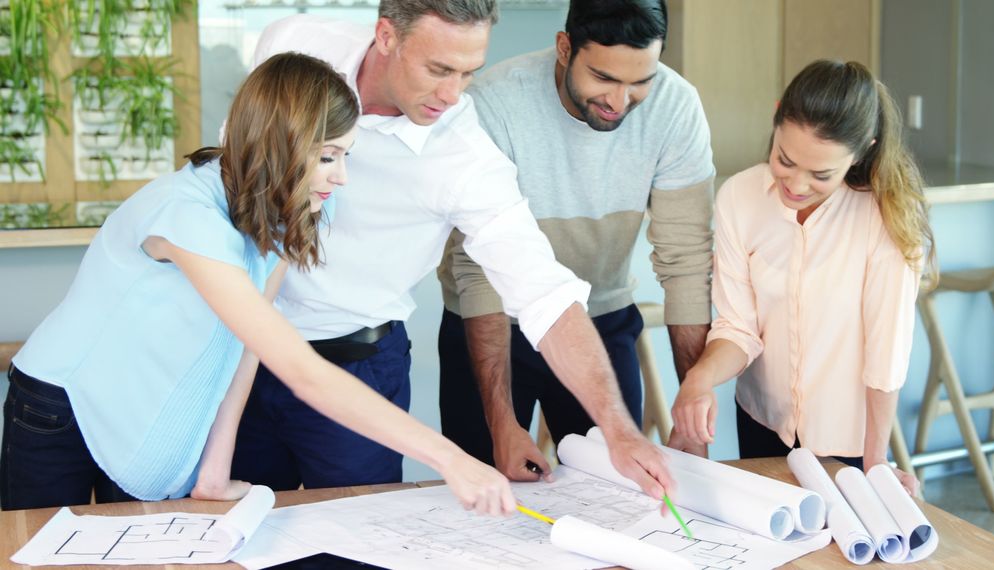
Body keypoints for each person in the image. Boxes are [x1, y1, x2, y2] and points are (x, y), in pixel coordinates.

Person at [0, 53, 515, 517]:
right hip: (57, 404)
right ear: (281, 144)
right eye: (328, 155)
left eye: (347, 155)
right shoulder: (186, 216)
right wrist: (451, 458)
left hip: (138, 404)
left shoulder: (278, 209)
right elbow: (300, 370)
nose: (341, 178)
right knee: (38, 549)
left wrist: (213, 475)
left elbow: (246, 348)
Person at [230, 1, 674, 500]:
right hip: (239, 349)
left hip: (356, 363)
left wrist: (619, 429)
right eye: (438, 69)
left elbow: (544, 294)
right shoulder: (292, 43)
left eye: (468, 73)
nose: (453, 94)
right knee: (236, 528)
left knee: (356, 543)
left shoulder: (463, 156)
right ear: (385, 36)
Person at [437, 0, 714, 481]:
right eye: (604, 78)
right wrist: (500, 423)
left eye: (640, 81)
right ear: (565, 48)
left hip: (600, 318)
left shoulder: (676, 107)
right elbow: (478, 269)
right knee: (486, 496)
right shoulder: (494, 103)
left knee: (617, 491)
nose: (620, 100)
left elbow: (686, 260)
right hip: (495, 319)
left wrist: (692, 401)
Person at [668, 59, 935, 496]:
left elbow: (885, 353)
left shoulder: (885, 217)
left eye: (821, 174)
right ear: (776, 119)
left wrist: (876, 461)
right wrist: (697, 380)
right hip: (762, 419)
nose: (796, 183)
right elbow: (739, 328)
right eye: (785, 159)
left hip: (846, 438)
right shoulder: (741, 198)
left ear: (861, 151)